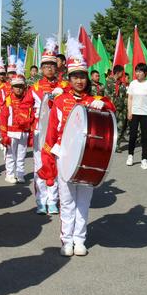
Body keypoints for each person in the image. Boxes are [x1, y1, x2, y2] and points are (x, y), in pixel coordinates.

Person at [39, 38, 115, 256]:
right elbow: (51, 132)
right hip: (65, 157)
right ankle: (66, 240)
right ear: (69, 78)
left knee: (84, 201)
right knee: (68, 201)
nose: (79, 81)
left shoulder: (94, 99)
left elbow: (111, 110)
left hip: (89, 158)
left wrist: (105, 104)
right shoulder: (61, 101)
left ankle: (80, 239)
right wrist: (51, 157)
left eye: (82, 76)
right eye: (75, 77)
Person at [25, 37, 68, 214]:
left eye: (52, 65)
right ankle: (41, 200)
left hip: (59, 134)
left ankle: (53, 200)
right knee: (40, 165)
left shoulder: (65, 85)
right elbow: (25, 107)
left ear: (56, 67)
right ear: (41, 68)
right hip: (40, 133)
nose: (49, 68)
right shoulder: (34, 87)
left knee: (56, 165)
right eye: (46, 65)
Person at [0, 60, 33, 184]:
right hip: (11, 133)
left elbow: (32, 115)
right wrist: (4, 135)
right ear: (12, 87)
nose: (18, 89)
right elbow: (3, 118)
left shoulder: (28, 100)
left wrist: (30, 132)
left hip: (24, 132)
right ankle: (9, 174)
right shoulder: (8, 100)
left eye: (20, 86)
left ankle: (20, 174)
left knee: (21, 155)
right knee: (10, 155)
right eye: (16, 86)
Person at [126, 63, 147, 169]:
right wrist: (129, 111)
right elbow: (130, 98)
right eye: (136, 71)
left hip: (145, 113)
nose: (137, 73)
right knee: (133, 136)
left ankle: (144, 159)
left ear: (145, 73)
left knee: (145, 137)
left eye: (140, 71)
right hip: (134, 113)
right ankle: (130, 155)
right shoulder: (132, 83)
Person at [105, 65, 128, 152]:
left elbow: (125, 97)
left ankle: (117, 145)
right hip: (112, 109)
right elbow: (107, 96)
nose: (123, 74)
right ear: (118, 72)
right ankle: (109, 145)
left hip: (121, 110)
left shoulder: (121, 84)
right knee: (111, 128)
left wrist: (126, 108)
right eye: (122, 72)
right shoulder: (109, 83)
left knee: (120, 127)